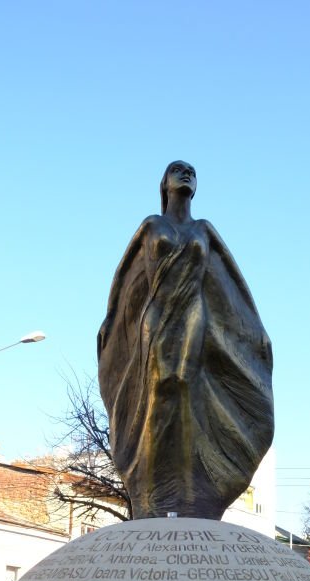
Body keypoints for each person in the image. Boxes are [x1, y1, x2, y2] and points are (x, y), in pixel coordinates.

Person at [98, 160, 273, 520]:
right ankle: (151, 493)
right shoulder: (151, 225)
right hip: (157, 317)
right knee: (161, 390)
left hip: (194, 315)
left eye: (191, 171)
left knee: (184, 386)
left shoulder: (204, 230)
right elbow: (124, 278)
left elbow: (234, 282)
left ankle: (192, 491)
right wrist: (111, 321)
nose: (186, 173)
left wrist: (255, 331)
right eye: (177, 170)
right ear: (164, 184)